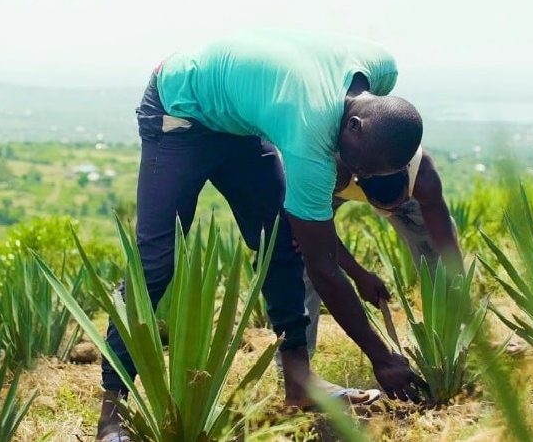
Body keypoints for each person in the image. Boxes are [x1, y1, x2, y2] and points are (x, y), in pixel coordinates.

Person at [97, 29, 427, 442]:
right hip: (180, 108)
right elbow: (321, 267)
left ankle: (299, 382)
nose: (352, 175)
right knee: (155, 262)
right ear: (355, 126)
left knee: (279, 243)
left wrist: (358, 273)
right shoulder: (311, 131)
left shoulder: (381, 71)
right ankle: (113, 412)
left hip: (241, 121)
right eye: (356, 163)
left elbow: (310, 241)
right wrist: (382, 358)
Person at [285, 147, 464, 387]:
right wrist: (359, 275)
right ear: (360, 184)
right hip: (329, 186)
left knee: (434, 249)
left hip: (396, 186)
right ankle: (297, 372)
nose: (388, 213)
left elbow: (445, 241)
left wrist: (461, 296)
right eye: (382, 207)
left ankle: (452, 342)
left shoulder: (422, 175)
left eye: (394, 206)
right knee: (303, 257)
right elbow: (316, 238)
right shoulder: (327, 170)